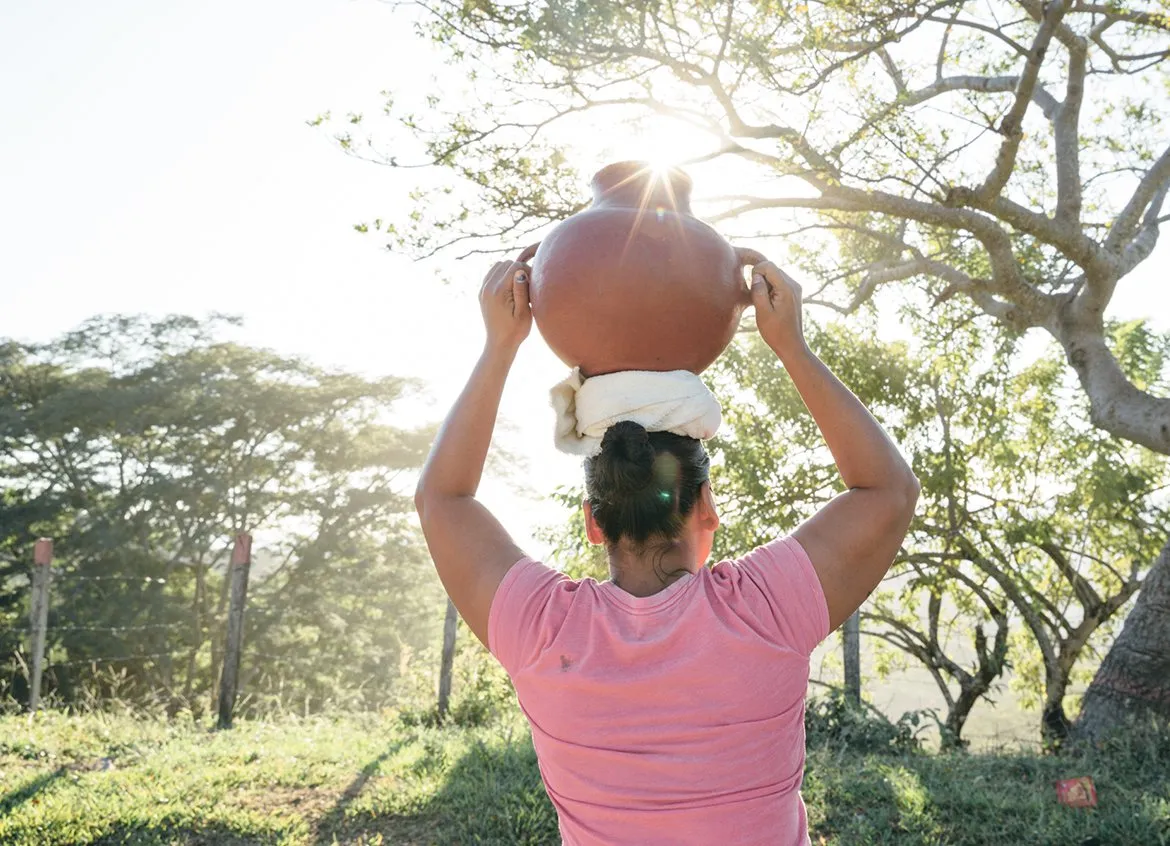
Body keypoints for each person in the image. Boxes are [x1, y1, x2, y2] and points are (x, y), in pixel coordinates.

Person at [414, 253, 920, 846]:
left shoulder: (542, 630)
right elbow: (888, 490)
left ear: (594, 524)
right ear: (705, 505)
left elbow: (441, 500)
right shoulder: (765, 609)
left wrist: (498, 346)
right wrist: (791, 346)